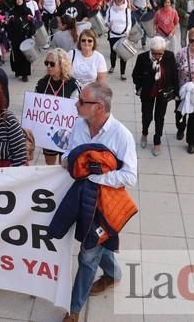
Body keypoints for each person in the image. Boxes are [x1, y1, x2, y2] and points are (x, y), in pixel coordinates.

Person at [60, 82, 137, 322]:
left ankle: (73, 311)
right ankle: (113, 274)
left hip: (104, 207)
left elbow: (130, 176)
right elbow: (68, 154)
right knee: (99, 246)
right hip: (82, 200)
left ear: (99, 107)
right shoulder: (78, 126)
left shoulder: (121, 135)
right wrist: (68, 162)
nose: (76, 104)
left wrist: (96, 177)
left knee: (87, 255)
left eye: (82, 101)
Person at [132, 37, 179, 156]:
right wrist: (139, 87)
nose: (157, 56)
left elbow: (174, 75)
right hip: (148, 92)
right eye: (154, 53)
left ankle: (157, 140)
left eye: (160, 53)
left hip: (163, 92)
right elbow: (135, 74)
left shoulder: (169, 56)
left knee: (160, 117)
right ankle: (144, 133)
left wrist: (176, 93)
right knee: (147, 116)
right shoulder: (142, 57)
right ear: (150, 50)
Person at [35, 49, 82, 165]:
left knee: (64, 166)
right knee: (49, 166)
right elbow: (35, 106)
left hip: (67, 132)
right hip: (48, 131)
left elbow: (77, 108)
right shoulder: (42, 83)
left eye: (52, 63)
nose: (48, 66)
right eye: (46, 63)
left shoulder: (72, 84)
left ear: (62, 64)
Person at [105, 0, 131, 80]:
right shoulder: (110, 9)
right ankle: (112, 66)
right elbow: (106, 22)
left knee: (123, 54)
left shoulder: (127, 10)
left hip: (123, 35)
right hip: (113, 34)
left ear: (123, 0)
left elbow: (129, 22)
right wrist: (108, 24)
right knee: (113, 53)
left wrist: (127, 31)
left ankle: (122, 73)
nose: (119, 1)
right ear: (115, 0)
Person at [9, 0, 34, 82]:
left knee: (25, 55)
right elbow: (9, 25)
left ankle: (25, 74)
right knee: (16, 55)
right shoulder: (12, 11)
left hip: (25, 36)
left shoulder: (27, 10)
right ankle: (18, 71)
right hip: (16, 37)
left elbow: (32, 23)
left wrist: (31, 22)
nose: (19, 0)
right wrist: (9, 22)